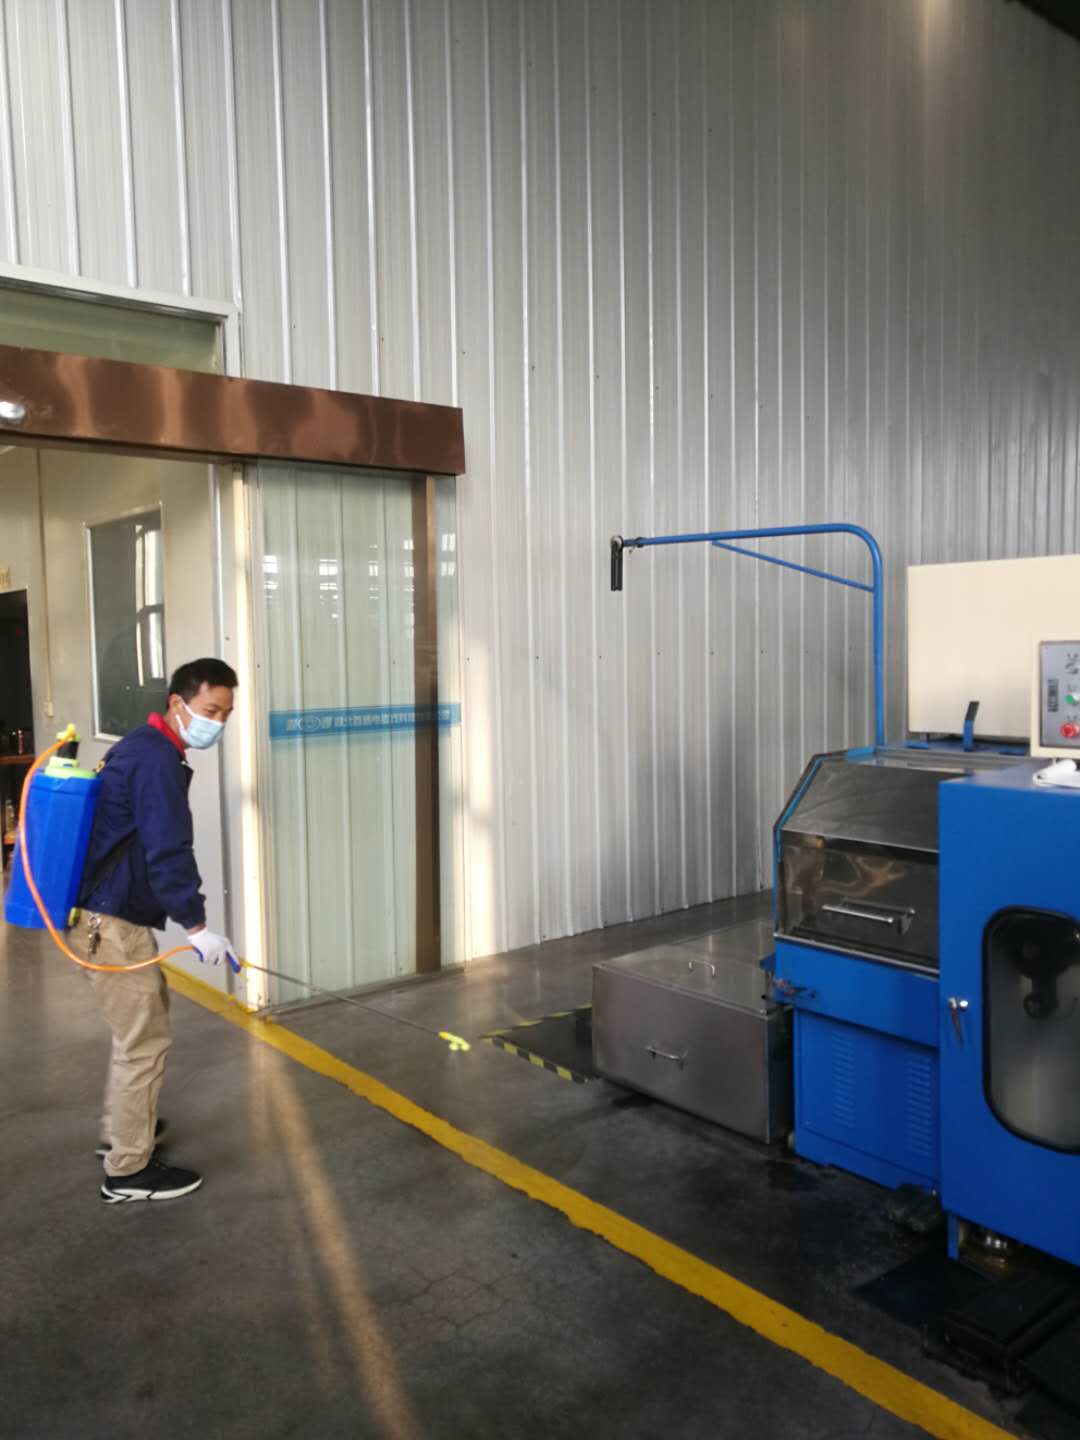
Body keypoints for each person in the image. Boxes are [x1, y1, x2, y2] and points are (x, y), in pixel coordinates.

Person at [72, 658, 239, 1204]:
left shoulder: (144, 745)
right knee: (145, 1042)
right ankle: (126, 1171)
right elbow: (168, 849)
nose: (217, 722)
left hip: (106, 915)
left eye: (226, 713)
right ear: (177, 703)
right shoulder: (157, 760)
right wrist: (197, 925)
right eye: (211, 710)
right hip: (112, 923)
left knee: (141, 1029)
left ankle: (122, 1130)